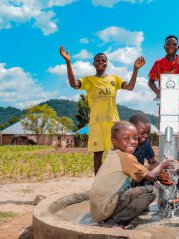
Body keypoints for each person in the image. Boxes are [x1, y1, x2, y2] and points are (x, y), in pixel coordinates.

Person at [60, 46, 145, 175]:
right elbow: (73, 84)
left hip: (113, 123)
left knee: (117, 153)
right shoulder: (89, 80)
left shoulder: (114, 79)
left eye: (103, 61)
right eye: (98, 60)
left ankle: (117, 179)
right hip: (97, 122)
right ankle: (98, 183)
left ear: (107, 63)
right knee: (98, 154)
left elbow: (130, 86)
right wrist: (68, 62)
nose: (100, 62)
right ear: (93, 63)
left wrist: (135, 69)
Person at [89, 121, 171, 229]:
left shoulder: (114, 154)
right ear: (115, 141)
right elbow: (150, 176)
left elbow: (141, 168)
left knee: (133, 189)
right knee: (151, 191)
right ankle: (115, 222)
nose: (132, 142)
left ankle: (110, 219)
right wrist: (163, 164)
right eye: (126, 138)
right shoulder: (126, 157)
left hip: (97, 210)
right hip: (105, 209)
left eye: (135, 138)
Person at [148, 35, 179, 143]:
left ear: (178, 47)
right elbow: (151, 81)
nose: (171, 46)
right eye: (168, 44)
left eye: (174, 44)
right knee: (165, 134)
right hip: (165, 104)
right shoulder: (158, 63)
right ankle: (166, 158)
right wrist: (158, 92)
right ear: (164, 47)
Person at [129, 113, 158, 186]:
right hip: (126, 181)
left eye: (148, 133)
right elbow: (134, 171)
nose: (146, 136)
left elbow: (151, 160)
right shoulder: (126, 147)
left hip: (140, 176)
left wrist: (157, 165)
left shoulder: (145, 142)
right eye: (142, 133)